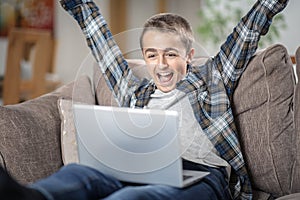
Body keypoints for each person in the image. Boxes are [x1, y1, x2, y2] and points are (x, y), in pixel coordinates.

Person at [0, 0, 289, 199]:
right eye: (152, 54)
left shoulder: (212, 79)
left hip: (202, 176)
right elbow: (101, 44)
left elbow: (249, 30)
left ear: (188, 56)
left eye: (171, 54)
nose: (161, 64)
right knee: (80, 173)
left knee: (132, 197)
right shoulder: (135, 92)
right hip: (139, 169)